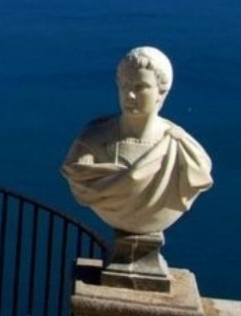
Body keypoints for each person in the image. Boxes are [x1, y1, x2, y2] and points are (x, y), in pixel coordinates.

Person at [61, 46, 212, 235]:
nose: (130, 95)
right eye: (125, 86)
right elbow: (80, 177)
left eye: (140, 87)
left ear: (162, 92)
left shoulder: (185, 151)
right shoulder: (90, 144)